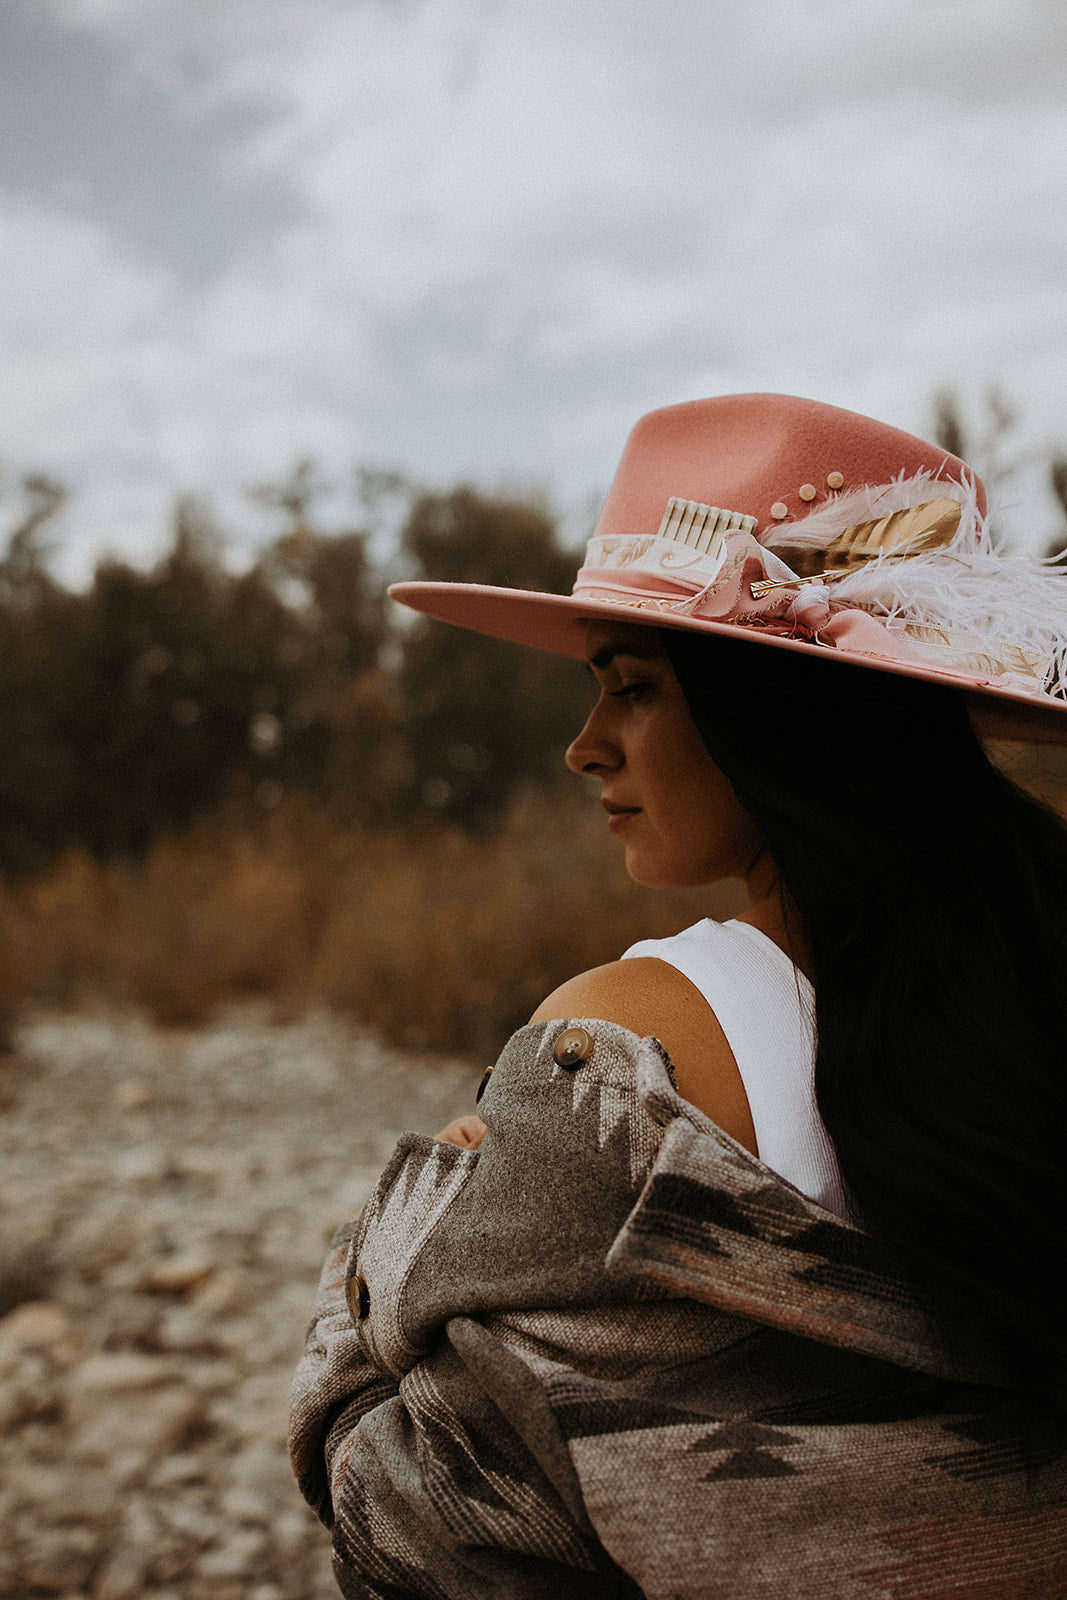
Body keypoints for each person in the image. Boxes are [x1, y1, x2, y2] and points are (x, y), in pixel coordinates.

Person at [290, 394, 1067, 1599]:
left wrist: (388, 1240)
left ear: (781, 717)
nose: (583, 744)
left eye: (631, 684)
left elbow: (418, 1523)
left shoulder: (622, 1046)